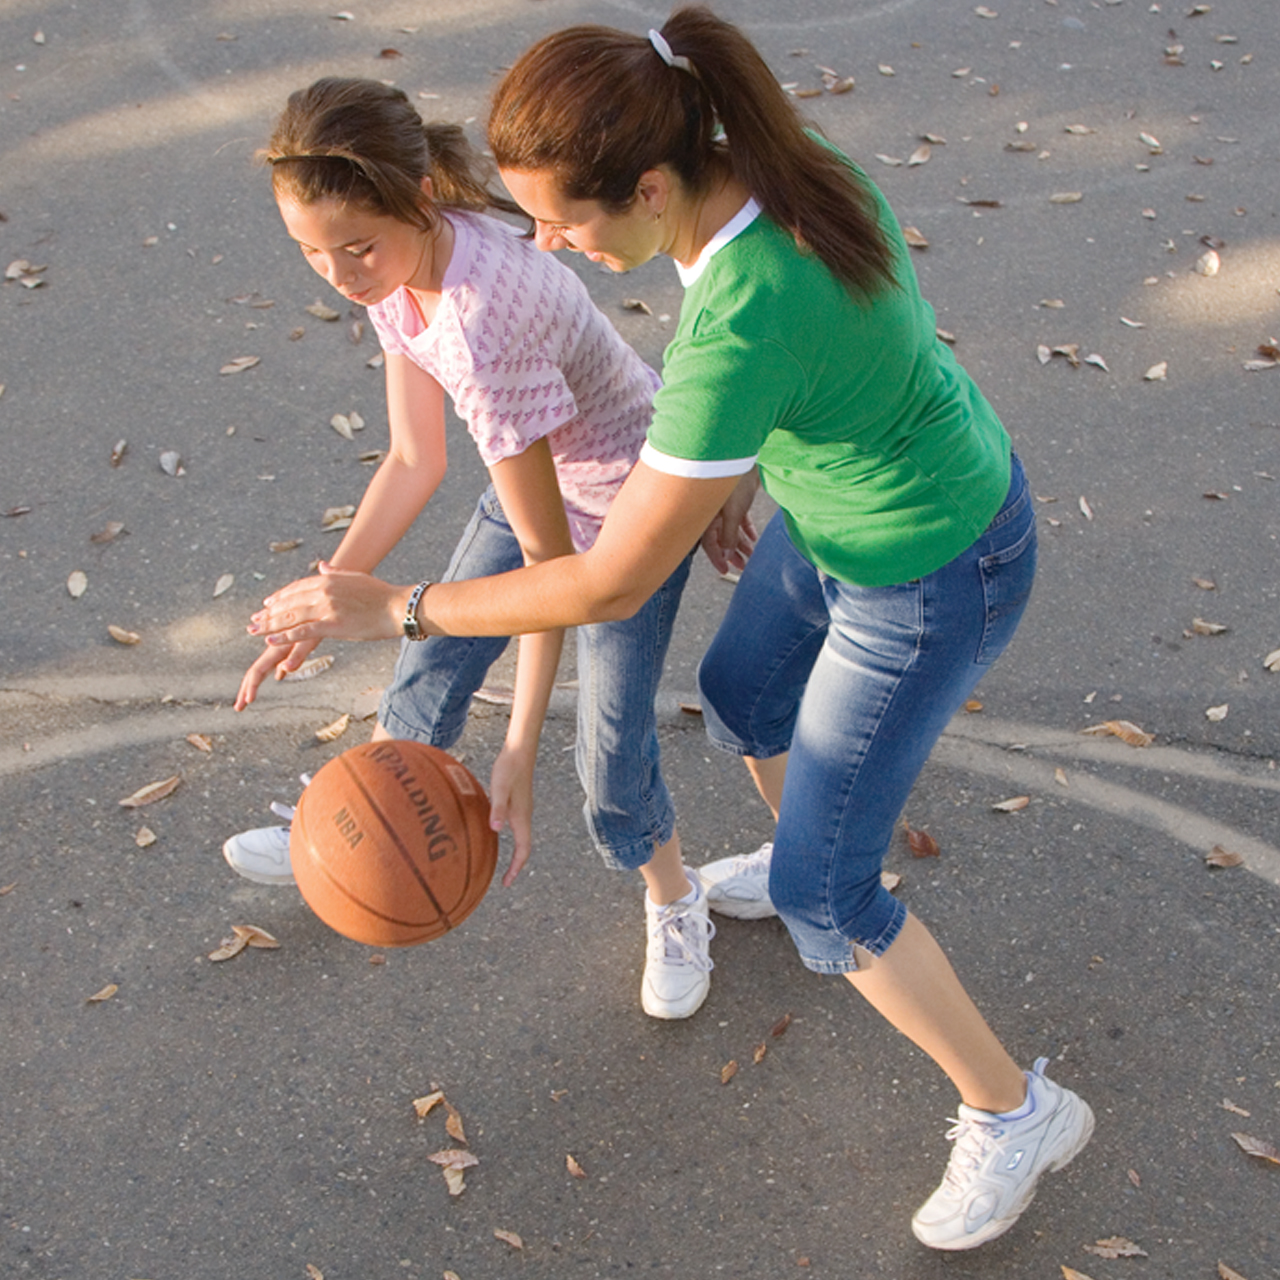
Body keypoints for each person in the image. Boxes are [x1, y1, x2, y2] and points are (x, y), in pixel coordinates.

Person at [244, 12, 1094, 1251]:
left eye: (565, 219)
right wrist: (734, 483)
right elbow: (824, 357)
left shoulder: (733, 318)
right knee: (744, 693)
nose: (545, 241)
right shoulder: (769, 170)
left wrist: (400, 609)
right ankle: (821, 841)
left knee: (824, 896)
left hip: (928, 566)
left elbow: (596, 580)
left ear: (647, 183)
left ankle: (1013, 1105)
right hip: (855, 498)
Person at [226, 76, 740, 1021]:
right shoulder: (401, 261)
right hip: (539, 474)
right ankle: (353, 831)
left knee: (609, 761)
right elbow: (415, 458)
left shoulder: (479, 323)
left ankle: (674, 895)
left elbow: (559, 578)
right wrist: (327, 591)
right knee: (429, 661)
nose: (338, 274)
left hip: (630, 510)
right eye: (311, 253)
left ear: (417, 197)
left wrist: (515, 749)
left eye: (353, 248)